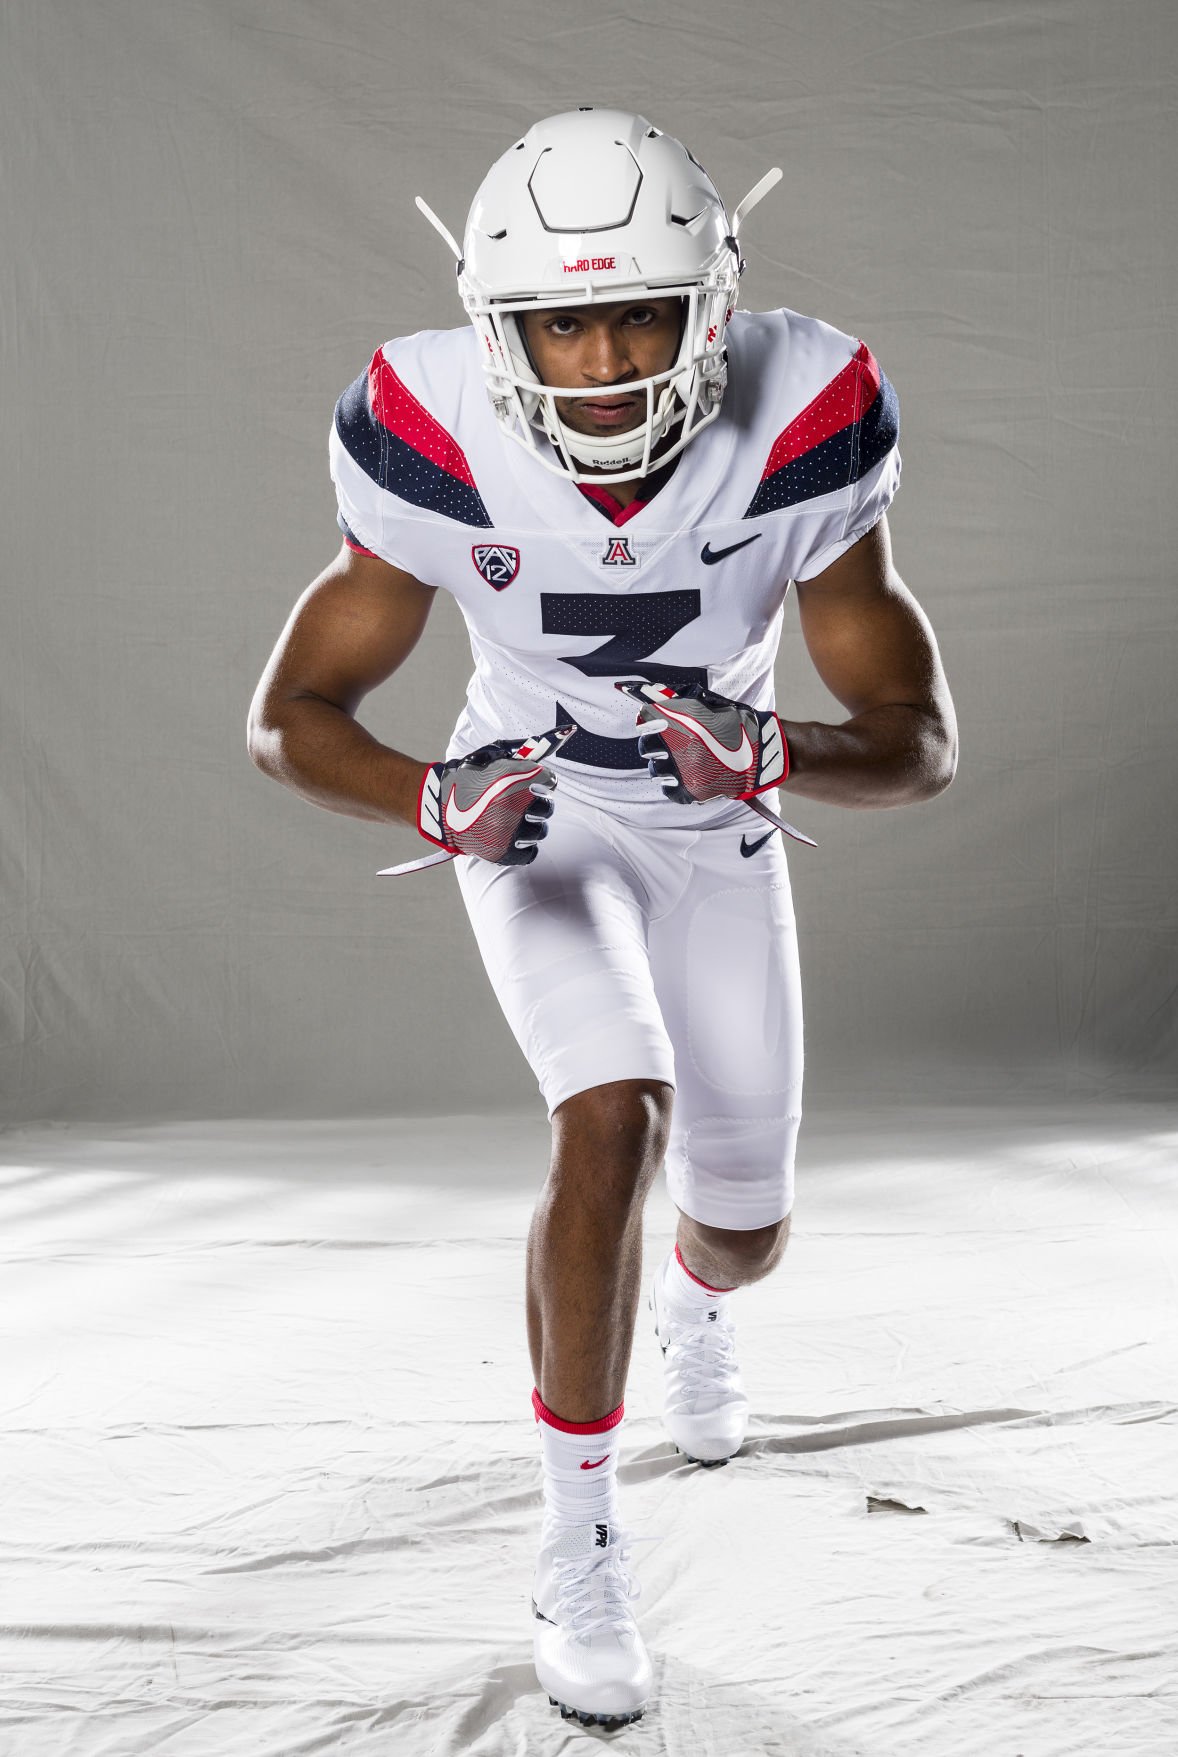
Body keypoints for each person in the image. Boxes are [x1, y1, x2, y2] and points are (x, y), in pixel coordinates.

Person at [247, 108, 957, 1730]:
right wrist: (435, 797)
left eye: (640, 309)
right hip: (540, 814)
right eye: (562, 319)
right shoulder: (422, 424)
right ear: (501, 333)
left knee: (743, 1228)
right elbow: (294, 709)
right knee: (608, 1116)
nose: (605, 358)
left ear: (713, 305)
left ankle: (700, 1307)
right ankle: (580, 1537)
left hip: (719, 824)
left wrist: (771, 750)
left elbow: (917, 740)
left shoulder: (810, 413)